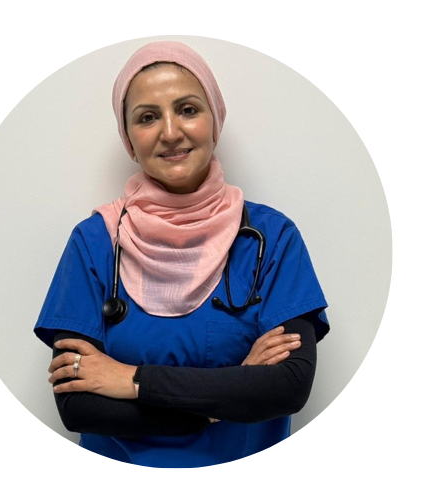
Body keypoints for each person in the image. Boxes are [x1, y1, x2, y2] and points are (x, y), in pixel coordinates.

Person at [34, 40, 330, 468]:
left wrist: (129, 379)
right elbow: (79, 408)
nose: (171, 132)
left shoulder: (272, 238)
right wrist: (224, 398)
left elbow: (287, 387)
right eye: (147, 117)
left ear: (215, 122)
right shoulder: (94, 242)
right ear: (129, 141)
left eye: (188, 109)